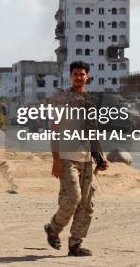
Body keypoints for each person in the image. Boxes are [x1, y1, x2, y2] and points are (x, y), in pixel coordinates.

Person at [44, 60, 108, 257]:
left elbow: (93, 131)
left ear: (87, 76)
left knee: (86, 204)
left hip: (87, 159)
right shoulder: (62, 98)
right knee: (73, 198)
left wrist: (100, 157)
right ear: (70, 76)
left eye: (82, 74)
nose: (79, 77)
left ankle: (75, 244)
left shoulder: (90, 100)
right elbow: (54, 129)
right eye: (75, 74)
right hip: (66, 157)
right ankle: (53, 229)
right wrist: (55, 159)